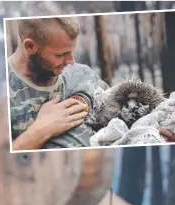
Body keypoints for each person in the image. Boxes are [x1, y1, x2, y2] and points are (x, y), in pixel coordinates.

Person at [8, 17, 108, 151]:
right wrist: (41, 130)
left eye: (72, 51)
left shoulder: (84, 75)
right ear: (30, 46)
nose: (71, 61)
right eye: (60, 54)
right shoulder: (1, 94)